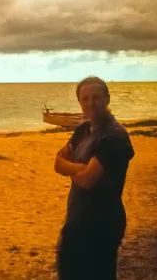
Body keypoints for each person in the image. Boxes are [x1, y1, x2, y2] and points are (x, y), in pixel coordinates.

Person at [54, 76, 135, 280]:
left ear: (107, 99)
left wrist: (73, 170)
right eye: (85, 98)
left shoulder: (114, 137)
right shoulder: (82, 130)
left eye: (96, 97)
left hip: (103, 222)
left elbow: (87, 181)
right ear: (79, 101)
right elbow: (57, 163)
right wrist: (81, 168)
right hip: (76, 218)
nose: (91, 103)